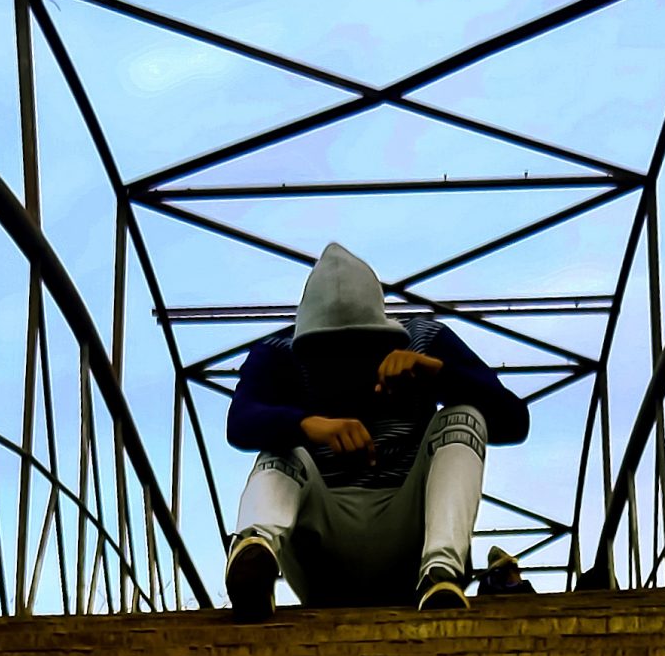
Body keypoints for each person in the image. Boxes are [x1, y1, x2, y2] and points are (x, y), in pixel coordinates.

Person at [223, 242, 530, 620]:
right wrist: (306, 425)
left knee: (464, 415)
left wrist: (438, 374)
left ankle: (440, 569)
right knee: (281, 449)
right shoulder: (278, 353)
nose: (345, 367)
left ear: (384, 338)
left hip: (407, 545)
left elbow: (514, 421)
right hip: (324, 554)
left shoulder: (423, 339)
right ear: (305, 350)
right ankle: (255, 551)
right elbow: (239, 423)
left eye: (359, 351)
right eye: (328, 357)